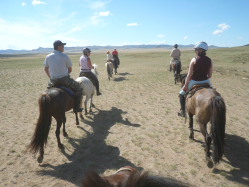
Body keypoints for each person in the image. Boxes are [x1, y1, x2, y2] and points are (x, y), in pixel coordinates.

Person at [44, 40, 83, 112]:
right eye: (62, 46)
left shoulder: (48, 56)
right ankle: (77, 107)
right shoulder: (65, 56)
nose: (63, 47)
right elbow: (70, 69)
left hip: (53, 81)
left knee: (46, 93)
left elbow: (46, 69)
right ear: (58, 47)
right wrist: (64, 74)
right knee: (79, 88)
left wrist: (51, 77)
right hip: (65, 79)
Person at [178, 41, 213, 117]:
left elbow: (189, 74)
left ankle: (183, 112)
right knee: (214, 92)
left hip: (194, 81)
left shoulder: (193, 60)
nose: (196, 51)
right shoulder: (210, 60)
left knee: (181, 93)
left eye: (196, 49)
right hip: (206, 81)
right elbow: (210, 75)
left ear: (200, 50)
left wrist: (186, 84)